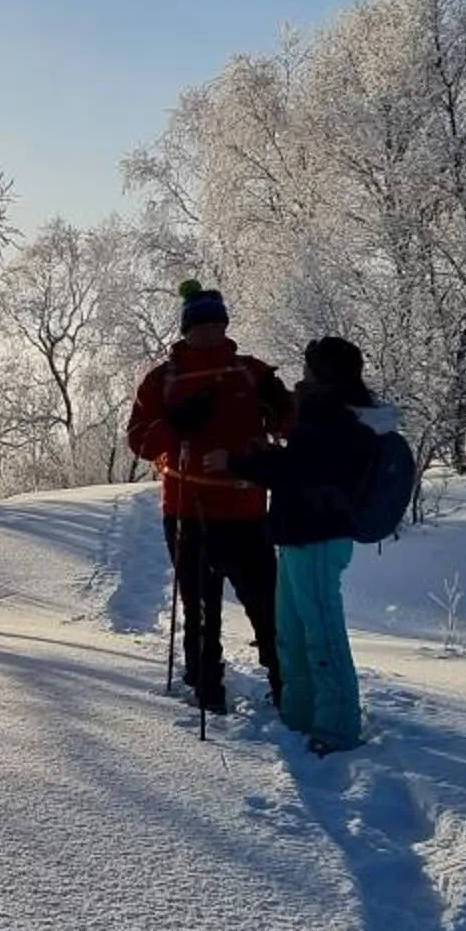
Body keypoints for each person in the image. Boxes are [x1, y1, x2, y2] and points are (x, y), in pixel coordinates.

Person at [213, 334, 392, 755]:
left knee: (322, 635)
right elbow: (303, 464)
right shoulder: (327, 413)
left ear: (324, 373)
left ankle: (337, 729)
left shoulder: (336, 417)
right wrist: (272, 452)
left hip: (319, 537)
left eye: (310, 367)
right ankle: (300, 717)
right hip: (298, 535)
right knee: (292, 635)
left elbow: (301, 471)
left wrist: (240, 462)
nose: (303, 373)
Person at [124, 281, 289, 716]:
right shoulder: (162, 380)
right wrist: (175, 425)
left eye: (218, 324)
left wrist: (283, 406)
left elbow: (293, 427)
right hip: (186, 511)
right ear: (186, 330)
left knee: (268, 609)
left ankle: (287, 686)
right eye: (202, 326)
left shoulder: (253, 373)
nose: (211, 333)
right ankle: (206, 687)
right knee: (199, 609)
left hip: (247, 512)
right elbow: (138, 439)